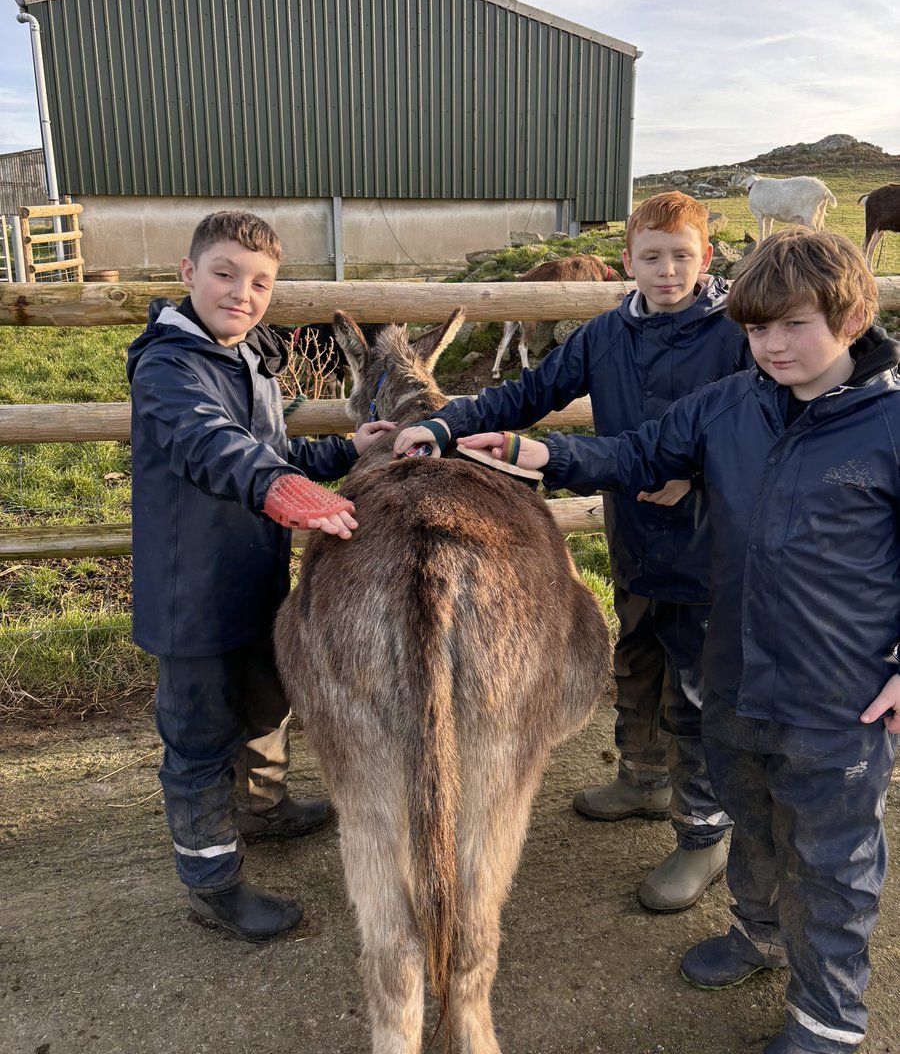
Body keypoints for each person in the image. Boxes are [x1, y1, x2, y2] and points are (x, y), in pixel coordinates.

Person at [453, 228, 900, 1054]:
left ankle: (830, 1018)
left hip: (839, 698)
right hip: (733, 669)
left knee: (832, 860)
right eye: (757, 329)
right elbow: (636, 452)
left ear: (850, 313)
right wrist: (534, 450)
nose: (771, 346)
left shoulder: (890, 423)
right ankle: (760, 935)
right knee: (754, 825)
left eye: (793, 325)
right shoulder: (732, 404)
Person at [394, 191, 750, 912]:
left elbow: (761, 425)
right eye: (651, 257)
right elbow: (528, 393)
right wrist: (443, 425)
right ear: (628, 261)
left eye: (682, 256)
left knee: (696, 687)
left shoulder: (737, 337)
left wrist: (697, 476)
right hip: (637, 537)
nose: (667, 270)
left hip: (711, 542)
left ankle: (705, 832)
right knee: (638, 657)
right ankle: (643, 777)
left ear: (706, 258)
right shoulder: (607, 334)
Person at [128, 210, 392, 942]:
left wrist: (343, 451)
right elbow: (212, 445)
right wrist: (280, 492)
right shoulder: (168, 367)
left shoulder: (246, 355)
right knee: (199, 738)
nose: (241, 293)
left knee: (265, 703)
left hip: (253, 582)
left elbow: (268, 451)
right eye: (224, 274)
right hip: (192, 597)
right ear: (188, 275)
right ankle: (211, 881)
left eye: (259, 283)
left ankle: (263, 806)